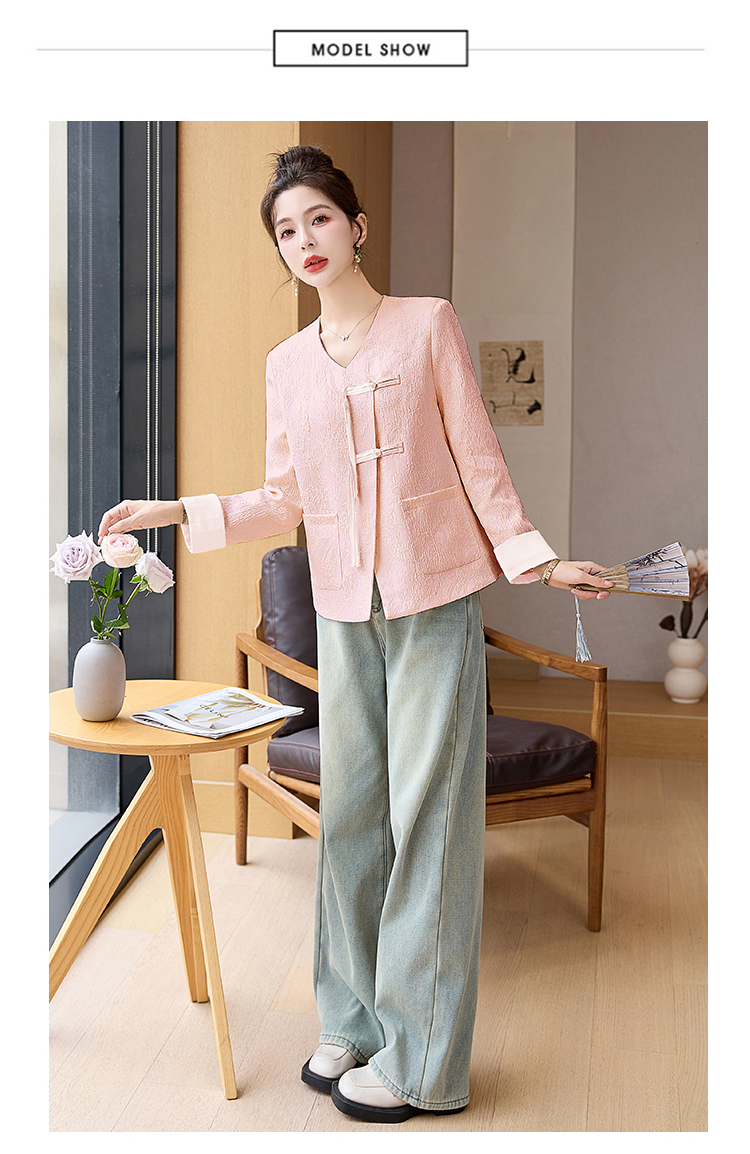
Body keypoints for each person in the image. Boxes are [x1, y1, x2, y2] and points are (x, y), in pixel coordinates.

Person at [98, 146, 611, 1124]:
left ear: (357, 226)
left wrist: (540, 561)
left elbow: (479, 459)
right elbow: (283, 497)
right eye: (287, 230)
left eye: (319, 219)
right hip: (344, 610)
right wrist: (175, 510)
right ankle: (355, 1018)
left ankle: (423, 1063)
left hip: (432, 603)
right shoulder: (286, 365)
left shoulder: (426, 324)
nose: (305, 240)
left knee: (430, 824)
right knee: (352, 817)